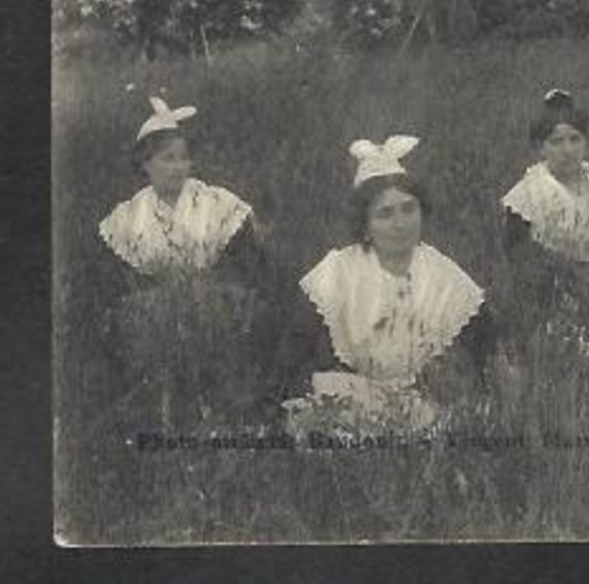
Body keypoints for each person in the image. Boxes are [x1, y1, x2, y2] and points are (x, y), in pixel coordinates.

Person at [280, 136, 489, 434]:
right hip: (353, 394)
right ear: (364, 225)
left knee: (443, 422)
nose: (400, 224)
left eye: (408, 209)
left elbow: (486, 345)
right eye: (385, 214)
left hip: (421, 399)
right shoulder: (338, 271)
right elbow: (294, 355)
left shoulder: (442, 272)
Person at [96, 95, 273, 426]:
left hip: (212, 295)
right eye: (167, 158)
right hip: (157, 305)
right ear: (145, 164)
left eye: (184, 158)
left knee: (221, 316)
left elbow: (247, 259)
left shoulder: (214, 201)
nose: (178, 166)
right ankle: (165, 407)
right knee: (149, 323)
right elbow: (120, 279)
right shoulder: (129, 216)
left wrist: (212, 285)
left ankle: (224, 405)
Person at [500, 89, 589, 267]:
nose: (567, 150)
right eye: (556, 142)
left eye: (575, 139)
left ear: (585, 141)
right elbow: (521, 265)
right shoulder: (525, 200)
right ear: (540, 147)